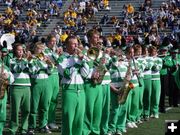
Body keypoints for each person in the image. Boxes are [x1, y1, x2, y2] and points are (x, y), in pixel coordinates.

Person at [58, 35, 86, 135]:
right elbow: (67, 74)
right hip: (69, 89)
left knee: (79, 119)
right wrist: (78, 61)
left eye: (77, 44)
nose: (76, 46)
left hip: (81, 89)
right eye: (73, 44)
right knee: (68, 119)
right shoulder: (62, 58)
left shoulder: (79, 57)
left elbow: (85, 73)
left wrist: (83, 60)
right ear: (67, 45)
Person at [9, 43, 36, 135]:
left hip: (27, 87)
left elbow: (32, 71)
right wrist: (25, 61)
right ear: (15, 51)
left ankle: (24, 129)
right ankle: (13, 129)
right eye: (19, 50)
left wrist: (31, 61)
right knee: (15, 110)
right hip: (16, 87)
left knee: (27, 110)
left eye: (22, 50)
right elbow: (18, 69)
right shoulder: (12, 60)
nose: (21, 51)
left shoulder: (26, 60)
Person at [28, 43, 53, 134]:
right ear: (35, 49)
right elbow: (32, 71)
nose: (41, 51)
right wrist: (36, 61)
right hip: (36, 83)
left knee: (45, 106)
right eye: (39, 49)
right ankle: (31, 126)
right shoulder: (32, 59)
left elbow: (50, 72)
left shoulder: (45, 58)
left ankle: (43, 125)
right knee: (34, 106)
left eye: (42, 49)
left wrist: (49, 64)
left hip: (46, 82)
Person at [82, 29, 103, 135]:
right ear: (89, 38)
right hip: (88, 83)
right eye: (95, 37)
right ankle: (85, 131)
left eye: (98, 37)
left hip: (98, 84)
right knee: (88, 110)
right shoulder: (84, 50)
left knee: (97, 110)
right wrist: (91, 75)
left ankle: (95, 131)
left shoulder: (99, 51)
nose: (98, 39)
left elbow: (101, 66)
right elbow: (83, 69)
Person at [107, 52, 130, 135]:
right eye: (115, 56)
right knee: (114, 109)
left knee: (123, 109)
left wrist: (128, 78)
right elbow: (107, 80)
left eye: (119, 56)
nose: (118, 58)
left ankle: (120, 128)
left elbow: (129, 77)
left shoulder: (125, 65)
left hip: (123, 88)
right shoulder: (109, 67)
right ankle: (111, 128)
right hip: (113, 89)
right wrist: (114, 89)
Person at [44, 35, 60, 129]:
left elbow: (58, 62)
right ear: (48, 41)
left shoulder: (54, 51)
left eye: (55, 41)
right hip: (48, 76)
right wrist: (56, 54)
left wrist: (56, 53)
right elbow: (52, 61)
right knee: (47, 100)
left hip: (56, 76)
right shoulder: (45, 50)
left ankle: (51, 121)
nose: (54, 43)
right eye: (52, 41)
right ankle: (44, 121)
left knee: (54, 100)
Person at [0, 48, 14, 135]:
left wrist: (7, 78)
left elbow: (12, 79)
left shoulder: (4, 67)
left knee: (2, 115)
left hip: (2, 93)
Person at [149, 46, 162, 118]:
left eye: (154, 51)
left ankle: (155, 111)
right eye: (151, 51)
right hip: (148, 79)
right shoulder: (147, 59)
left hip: (156, 80)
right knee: (149, 96)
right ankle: (150, 112)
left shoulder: (159, 59)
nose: (153, 53)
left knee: (156, 97)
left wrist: (153, 61)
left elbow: (158, 68)